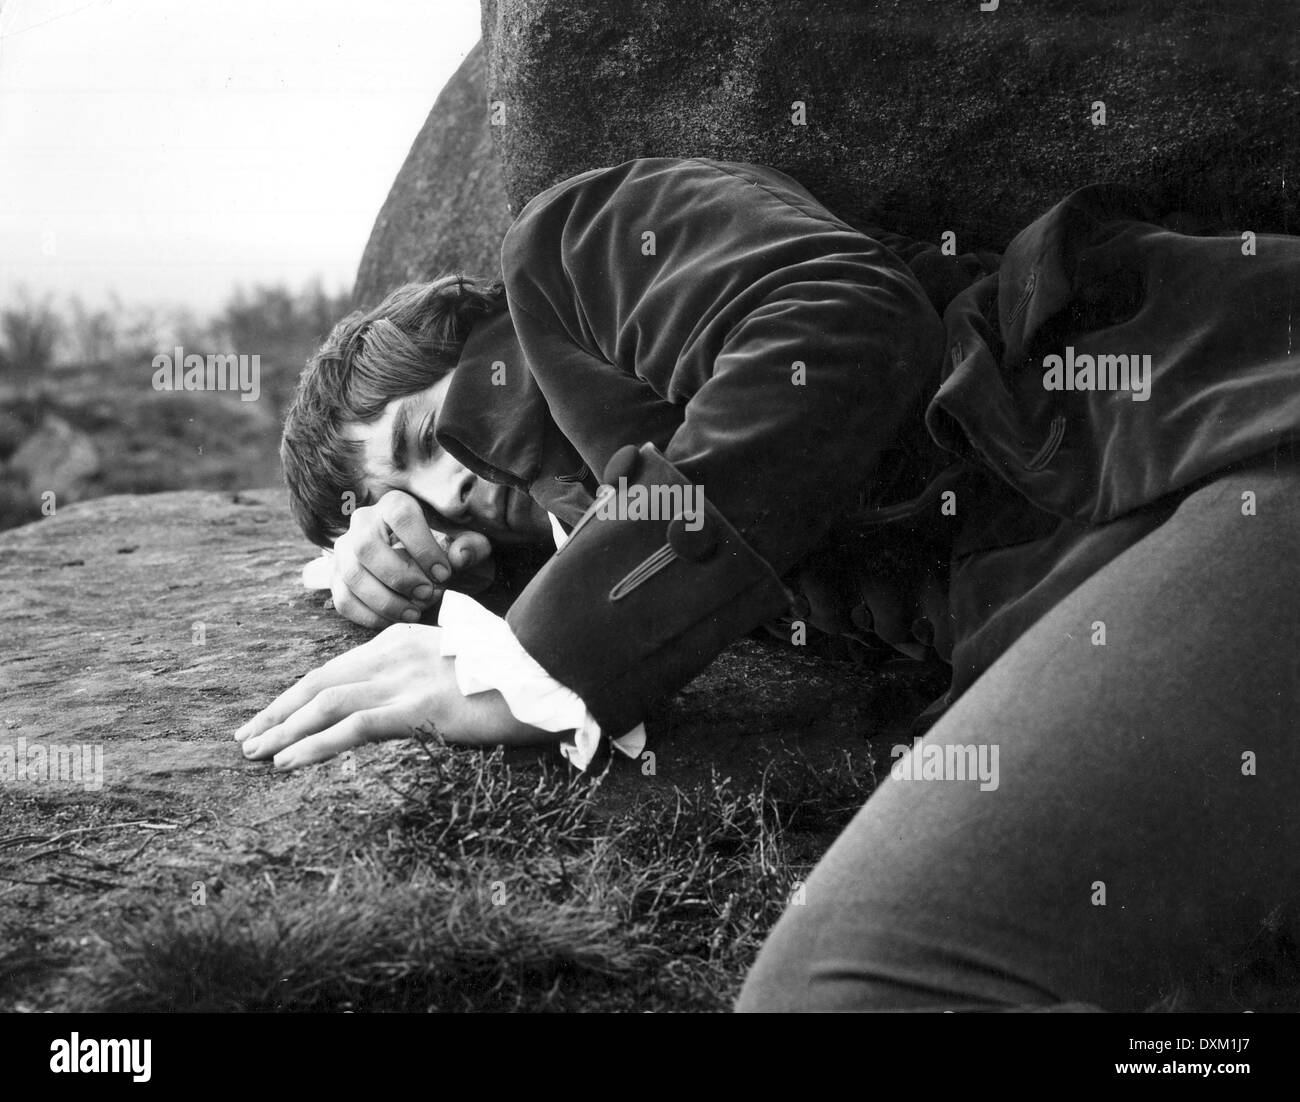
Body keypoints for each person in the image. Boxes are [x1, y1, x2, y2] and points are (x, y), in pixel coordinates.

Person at [239, 157, 1300, 1010]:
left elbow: (847, 325)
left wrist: (533, 664)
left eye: (426, 432)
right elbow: (625, 516)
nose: (456, 483)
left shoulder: (569, 250)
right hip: (1153, 554)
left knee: (851, 989)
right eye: (425, 507)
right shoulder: (606, 522)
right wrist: (392, 576)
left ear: (470, 332)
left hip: (1226, 431)